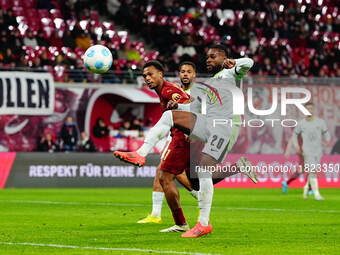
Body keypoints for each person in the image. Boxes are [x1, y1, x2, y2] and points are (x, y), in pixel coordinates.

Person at [114, 45, 256, 237]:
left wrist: (235, 62)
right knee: (170, 116)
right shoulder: (209, 83)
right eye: (207, 57)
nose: (208, 60)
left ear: (224, 58)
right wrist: (178, 105)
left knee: (203, 173)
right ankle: (140, 154)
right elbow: (194, 108)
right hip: (208, 124)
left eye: (213, 57)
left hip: (225, 128)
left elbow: (249, 62)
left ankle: (203, 223)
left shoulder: (232, 72)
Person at [137, 61, 199, 229]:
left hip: (183, 136)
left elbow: (191, 108)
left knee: (165, 174)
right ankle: (198, 199)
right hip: (179, 135)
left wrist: (188, 132)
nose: (147, 78)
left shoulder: (168, 90)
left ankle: (179, 218)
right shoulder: (167, 90)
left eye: (150, 75)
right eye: (145, 76)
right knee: (170, 174)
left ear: (161, 75)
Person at [291, 102, 331, 200]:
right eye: (307, 109)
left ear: (314, 110)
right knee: (312, 171)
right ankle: (317, 194)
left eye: (311, 109)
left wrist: (328, 141)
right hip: (307, 151)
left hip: (318, 151)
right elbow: (294, 135)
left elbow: (327, 133)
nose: (309, 110)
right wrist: (296, 146)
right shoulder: (301, 123)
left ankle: (305, 190)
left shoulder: (320, 122)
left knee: (313, 172)